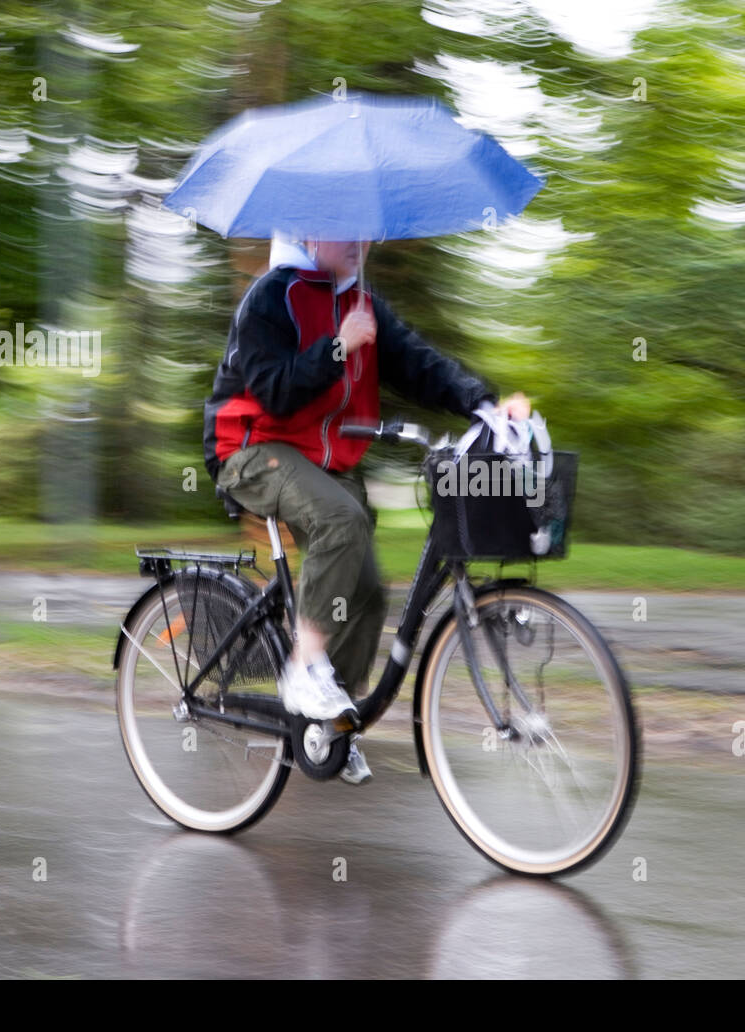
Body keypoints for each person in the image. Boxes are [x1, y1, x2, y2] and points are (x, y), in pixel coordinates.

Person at [203, 236, 530, 783]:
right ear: (309, 236)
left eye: (364, 232)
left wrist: (487, 405)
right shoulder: (270, 297)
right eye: (343, 229)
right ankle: (305, 669)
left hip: (321, 461)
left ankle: (330, 727)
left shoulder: (363, 303)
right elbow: (275, 392)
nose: (359, 242)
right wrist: (339, 347)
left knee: (369, 593)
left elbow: (422, 365)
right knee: (342, 520)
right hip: (248, 448)